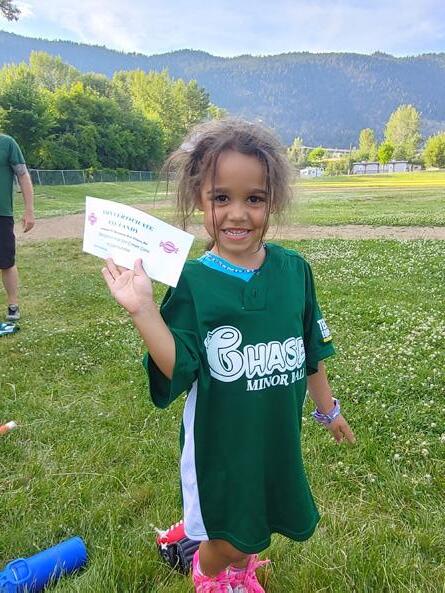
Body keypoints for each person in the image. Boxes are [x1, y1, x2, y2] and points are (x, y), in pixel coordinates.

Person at [102, 118, 356, 592]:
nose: (238, 214)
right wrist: (143, 311)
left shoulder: (294, 271)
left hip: (274, 437)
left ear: (272, 201)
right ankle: (208, 571)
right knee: (229, 536)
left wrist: (329, 410)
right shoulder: (195, 282)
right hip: (220, 445)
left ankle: (238, 566)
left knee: (261, 517)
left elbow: (310, 353)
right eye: (221, 198)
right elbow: (177, 365)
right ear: (200, 200)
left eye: (253, 199)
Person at [0, 133, 35, 321]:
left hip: (2, 213)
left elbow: (23, 175)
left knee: (6, 261)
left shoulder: (7, 143)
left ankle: (13, 305)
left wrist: (29, 210)